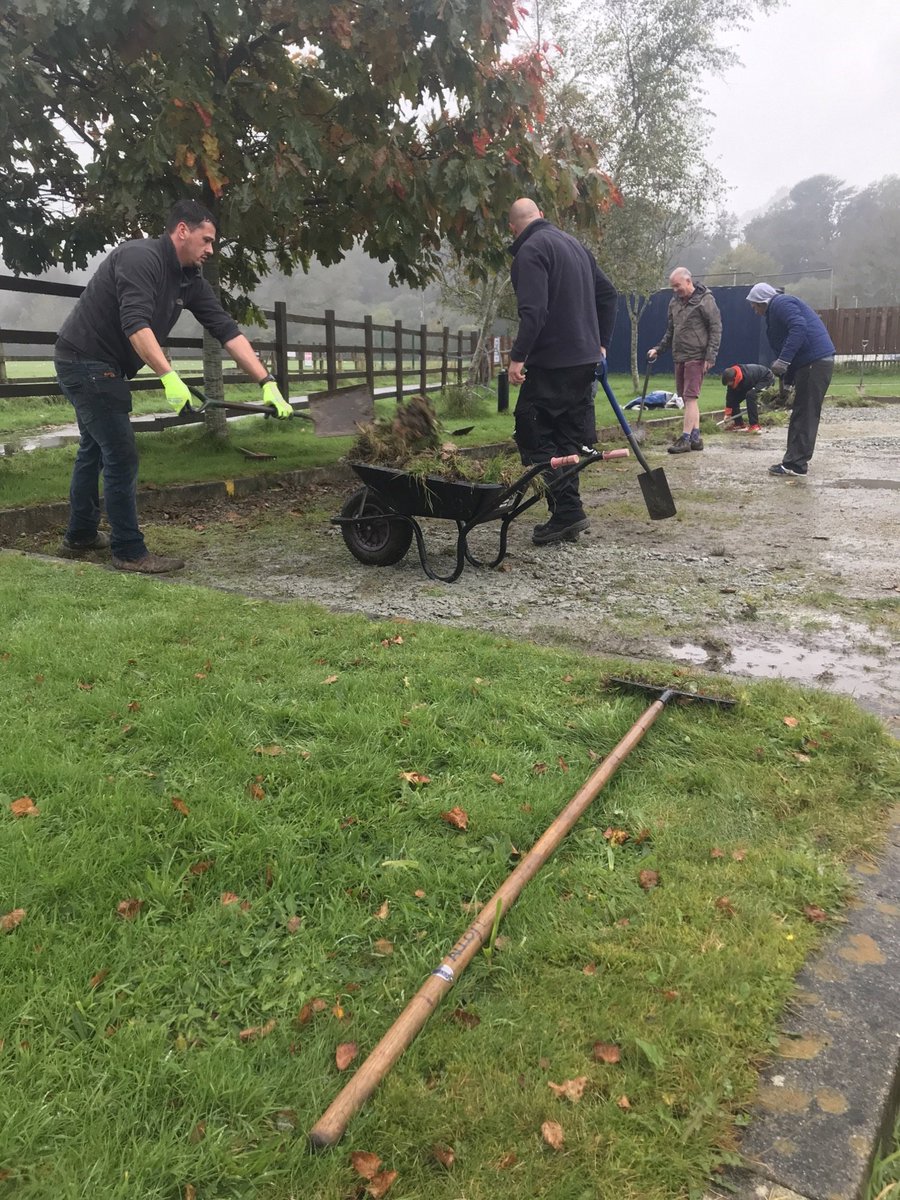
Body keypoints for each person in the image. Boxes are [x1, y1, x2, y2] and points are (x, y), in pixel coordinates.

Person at [54, 199, 292, 573]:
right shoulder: (139, 259)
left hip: (104, 365)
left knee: (94, 448)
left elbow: (226, 329)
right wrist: (169, 376)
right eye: (207, 239)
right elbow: (136, 324)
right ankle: (129, 551)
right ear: (183, 230)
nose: (211, 250)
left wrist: (267, 382)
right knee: (121, 453)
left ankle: (80, 535)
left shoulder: (189, 280)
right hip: (84, 360)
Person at [506, 198, 617, 545]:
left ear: (513, 228)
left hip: (553, 361)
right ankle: (567, 514)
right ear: (541, 215)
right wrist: (601, 345)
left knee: (533, 429)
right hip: (584, 361)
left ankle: (567, 511)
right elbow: (609, 294)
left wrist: (517, 357)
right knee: (567, 438)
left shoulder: (531, 250)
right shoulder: (575, 246)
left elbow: (534, 311)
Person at [746, 282, 835, 477]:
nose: (754, 311)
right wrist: (786, 383)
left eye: (754, 306)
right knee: (802, 412)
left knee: (805, 414)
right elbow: (791, 344)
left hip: (815, 362)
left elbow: (799, 328)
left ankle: (796, 465)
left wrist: (783, 361)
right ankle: (794, 461)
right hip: (812, 362)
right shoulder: (777, 309)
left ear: (762, 301)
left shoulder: (781, 303)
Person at [647, 268, 721, 454]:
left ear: (688, 281)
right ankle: (696, 438)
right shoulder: (674, 302)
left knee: (690, 398)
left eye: (677, 286)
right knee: (687, 398)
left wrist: (710, 356)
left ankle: (685, 438)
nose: (675, 290)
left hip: (697, 356)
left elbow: (716, 328)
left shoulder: (705, 300)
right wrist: (658, 349)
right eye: (672, 286)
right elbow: (671, 331)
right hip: (679, 355)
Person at [720, 363, 774, 433]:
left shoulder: (747, 377)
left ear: (734, 379)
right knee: (734, 399)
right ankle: (739, 424)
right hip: (752, 381)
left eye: (730, 384)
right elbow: (730, 396)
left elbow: (751, 396)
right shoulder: (733, 379)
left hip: (766, 378)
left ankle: (754, 425)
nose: (730, 386)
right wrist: (728, 413)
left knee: (750, 395)